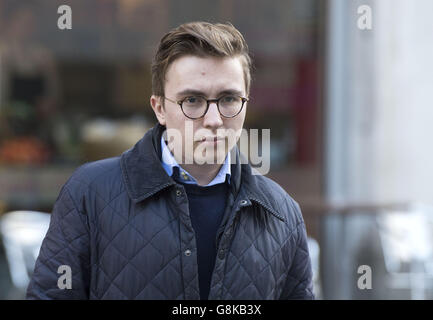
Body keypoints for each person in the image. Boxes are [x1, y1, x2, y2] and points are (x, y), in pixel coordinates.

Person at [26, 21, 314, 300]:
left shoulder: (282, 213)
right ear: (160, 108)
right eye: (192, 100)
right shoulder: (89, 194)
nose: (213, 120)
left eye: (228, 99)